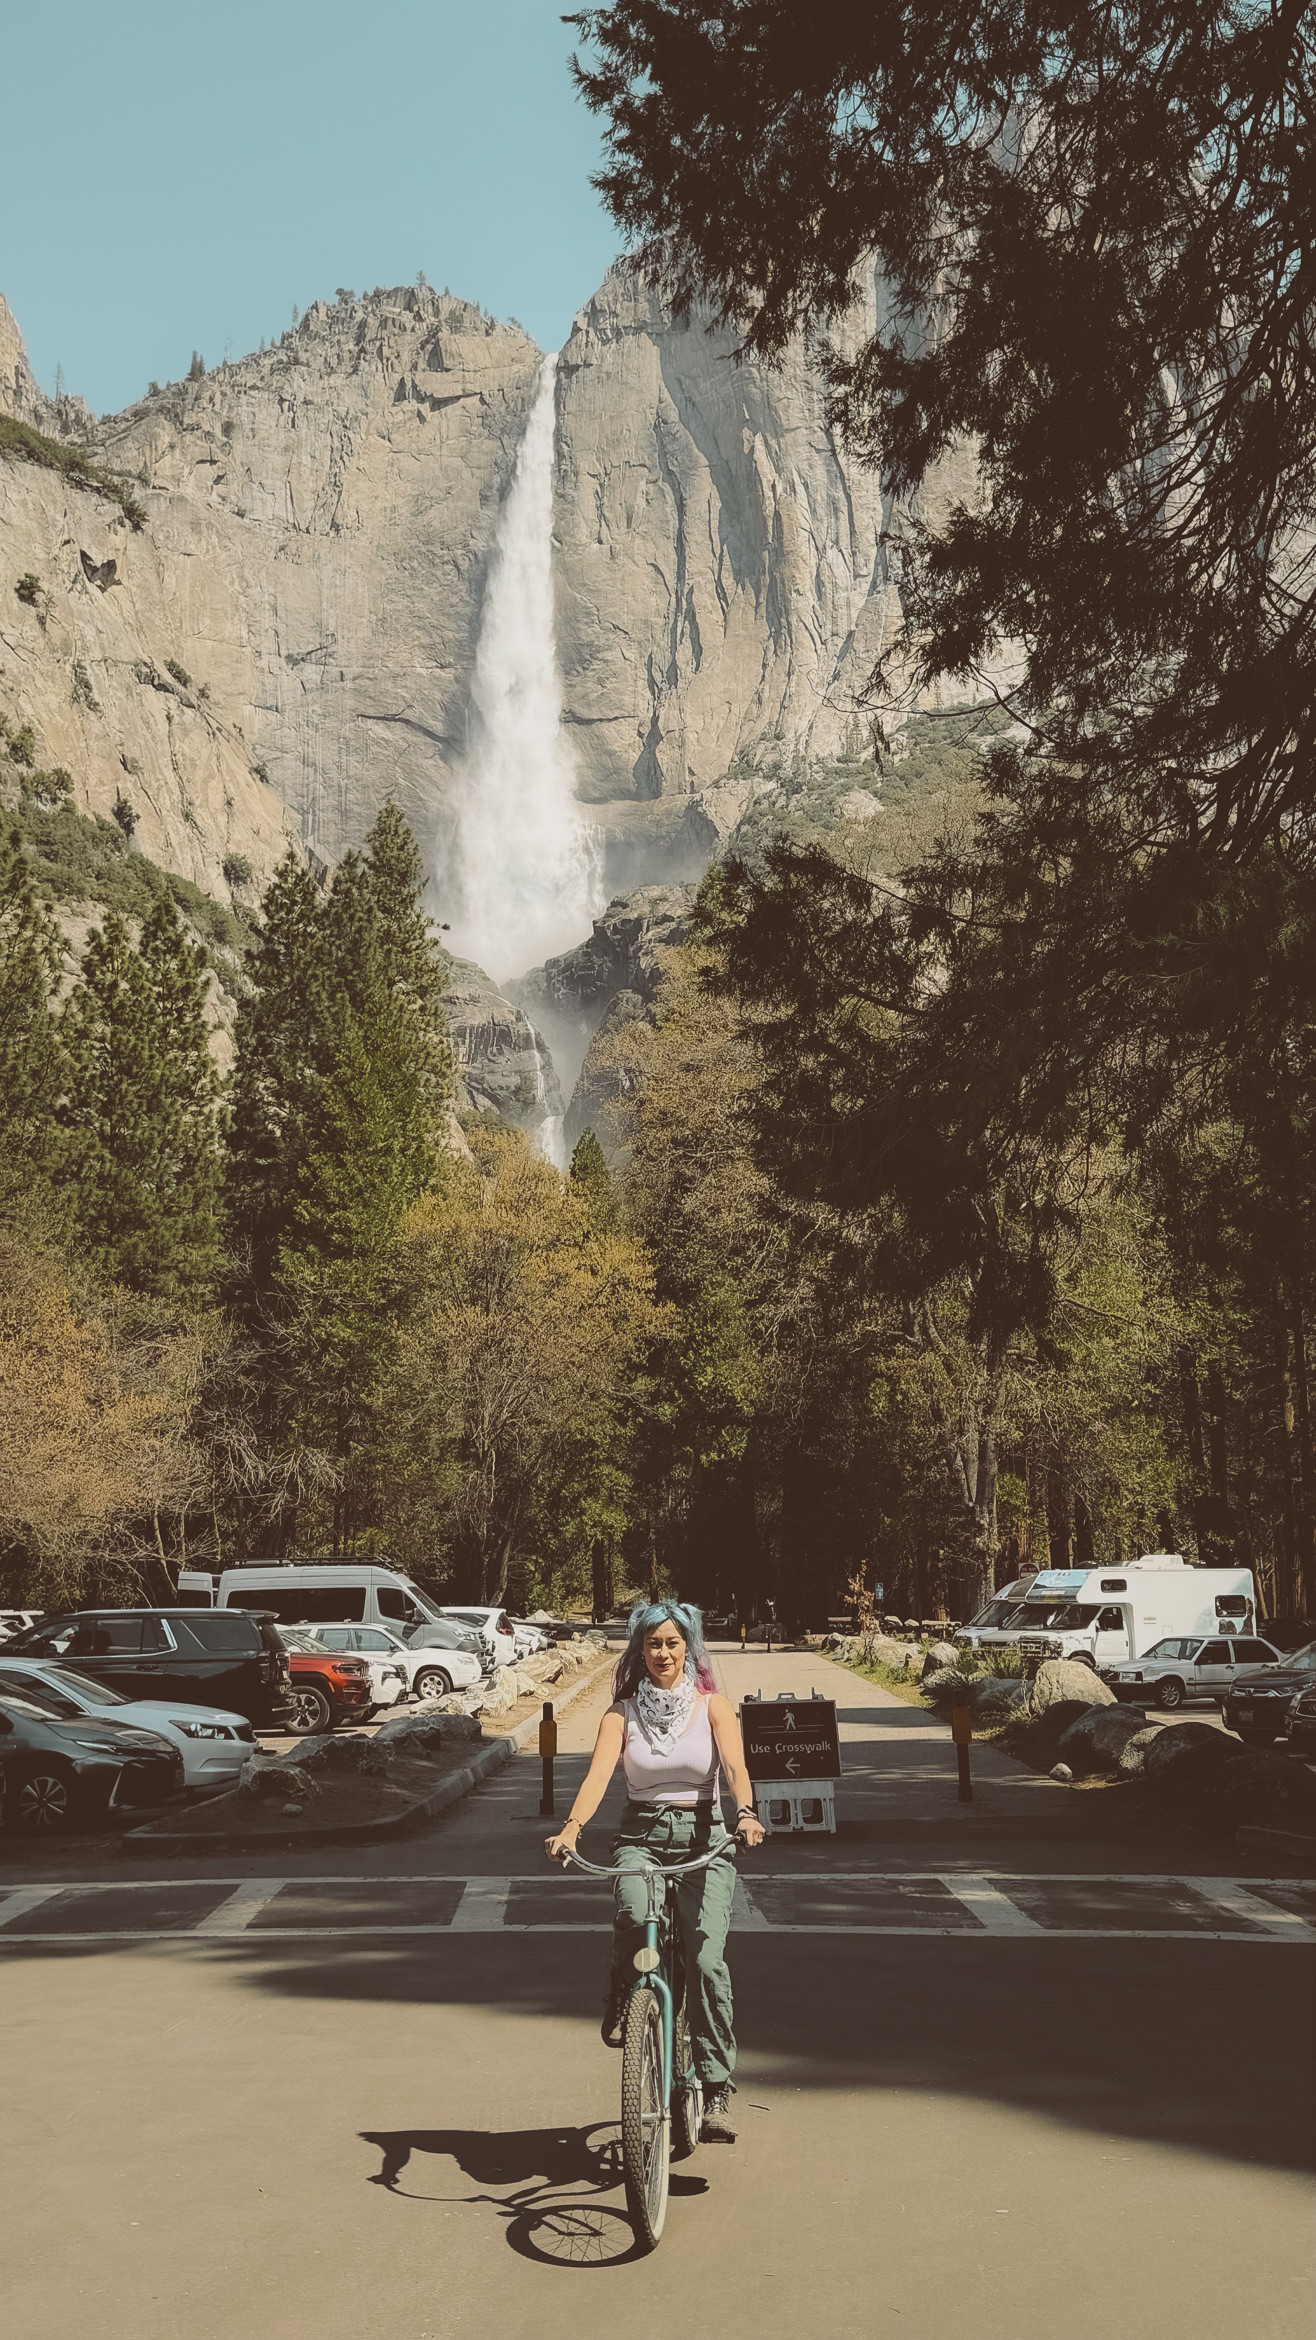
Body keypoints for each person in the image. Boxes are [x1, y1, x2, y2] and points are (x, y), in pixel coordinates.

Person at [545, 1599, 766, 2143]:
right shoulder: (620, 1714)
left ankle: (715, 2085)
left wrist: (745, 1813)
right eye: (653, 1644)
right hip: (640, 1837)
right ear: (639, 1651)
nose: (663, 1653)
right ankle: (627, 1993)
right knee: (632, 1913)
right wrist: (571, 1828)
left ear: (688, 1647)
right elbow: (598, 1777)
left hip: (704, 1838)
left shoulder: (713, 1707)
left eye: (672, 1643)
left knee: (706, 1961)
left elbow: (735, 1766)